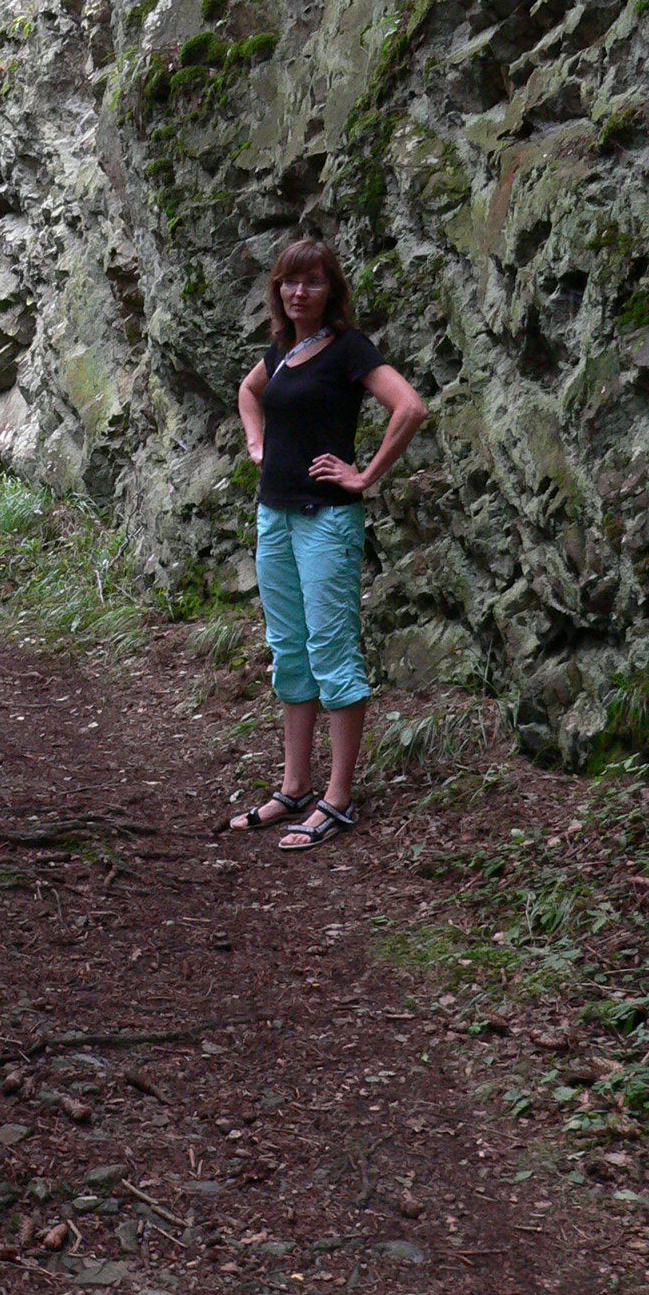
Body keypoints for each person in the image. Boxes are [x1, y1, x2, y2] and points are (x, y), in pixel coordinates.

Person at [230, 238, 426, 850]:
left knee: (331, 649)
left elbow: (410, 407)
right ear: (278, 291)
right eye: (290, 282)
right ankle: (294, 788)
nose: (298, 292)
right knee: (289, 649)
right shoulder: (285, 351)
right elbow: (247, 392)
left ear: (330, 290)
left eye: (311, 282)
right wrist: (256, 444)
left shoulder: (349, 348)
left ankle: (336, 799)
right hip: (275, 516)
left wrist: (364, 474)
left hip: (326, 519)